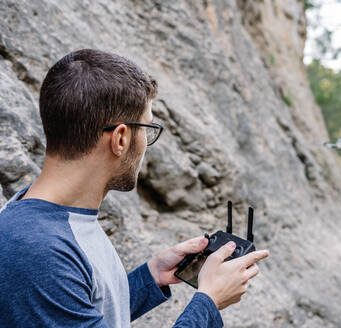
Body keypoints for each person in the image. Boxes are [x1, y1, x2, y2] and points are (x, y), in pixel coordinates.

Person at [0, 49, 269, 328]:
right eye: (146, 128)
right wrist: (209, 301)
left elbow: (77, 312)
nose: (146, 144)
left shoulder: (52, 220)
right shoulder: (39, 252)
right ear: (120, 138)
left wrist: (150, 277)